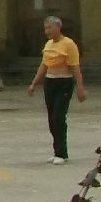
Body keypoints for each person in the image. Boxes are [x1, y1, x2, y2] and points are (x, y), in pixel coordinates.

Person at [27, 15, 86, 164]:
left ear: (58, 28)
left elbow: (75, 67)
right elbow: (44, 65)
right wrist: (34, 84)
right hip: (50, 82)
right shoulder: (48, 45)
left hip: (64, 82)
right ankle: (57, 151)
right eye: (45, 28)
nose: (47, 31)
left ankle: (62, 152)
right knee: (51, 119)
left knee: (58, 117)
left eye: (49, 28)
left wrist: (80, 88)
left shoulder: (69, 44)